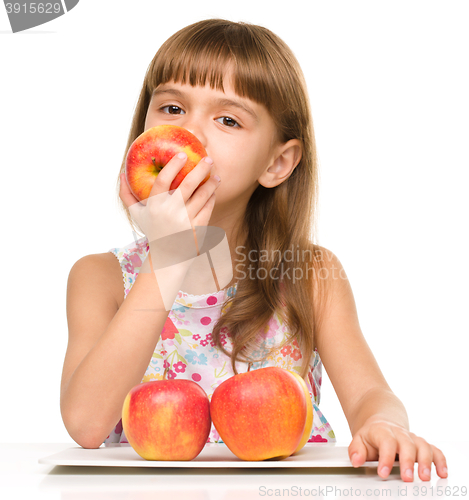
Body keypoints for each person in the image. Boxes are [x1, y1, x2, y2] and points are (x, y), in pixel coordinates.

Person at [60, 18, 448, 481]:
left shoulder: (309, 274)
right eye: (171, 108)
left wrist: (383, 424)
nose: (191, 134)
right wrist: (168, 256)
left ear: (278, 162)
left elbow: (369, 394)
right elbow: (86, 425)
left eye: (227, 119)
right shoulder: (101, 278)